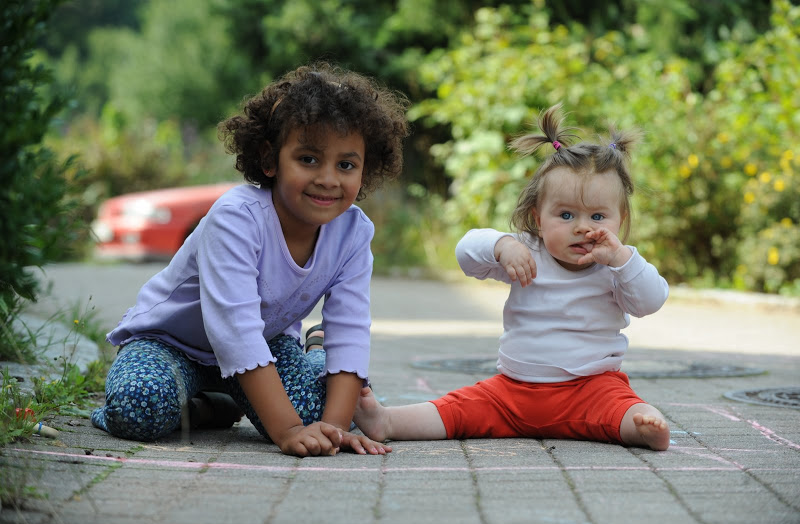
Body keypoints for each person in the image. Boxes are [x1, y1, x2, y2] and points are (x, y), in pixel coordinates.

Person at [91, 63, 410, 457]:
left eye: (346, 165)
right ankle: (209, 404)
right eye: (308, 159)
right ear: (270, 158)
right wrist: (289, 430)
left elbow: (350, 327)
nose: (328, 178)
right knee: (137, 407)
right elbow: (235, 332)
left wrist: (333, 429)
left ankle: (302, 361)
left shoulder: (354, 232)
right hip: (170, 343)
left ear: (366, 170)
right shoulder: (235, 218)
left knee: (326, 414)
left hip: (266, 346)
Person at [354, 103, 671, 452]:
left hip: (591, 389)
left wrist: (622, 259)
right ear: (538, 217)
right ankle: (386, 421)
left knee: (626, 409)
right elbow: (466, 254)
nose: (582, 227)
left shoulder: (618, 266)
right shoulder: (526, 251)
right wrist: (501, 245)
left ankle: (645, 426)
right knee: (456, 409)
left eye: (598, 216)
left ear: (620, 220)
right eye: (565, 215)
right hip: (512, 391)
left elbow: (651, 300)